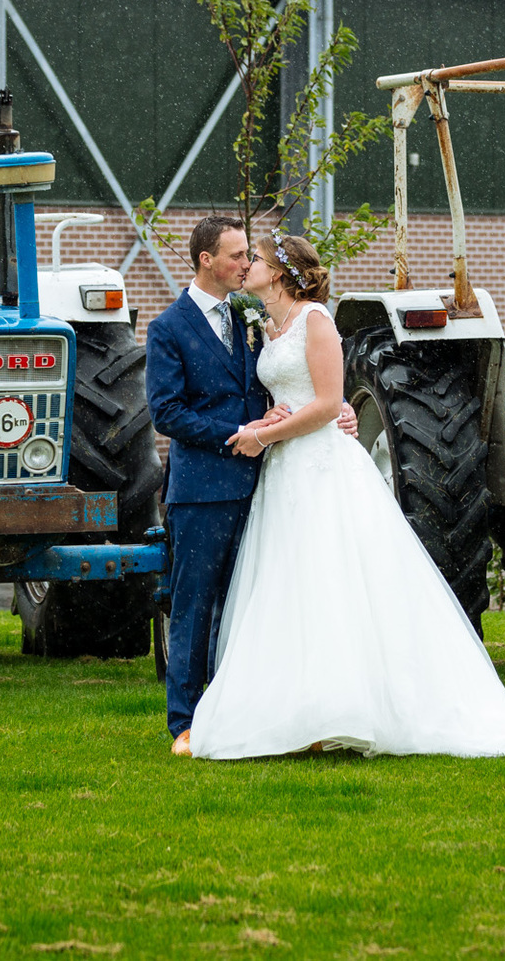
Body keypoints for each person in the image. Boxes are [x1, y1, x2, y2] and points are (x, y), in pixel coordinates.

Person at [188, 233, 505, 759]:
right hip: (289, 471)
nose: (248, 265)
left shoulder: (317, 320)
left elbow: (326, 405)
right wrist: (276, 415)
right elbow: (307, 399)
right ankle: (300, 710)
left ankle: (343, 711)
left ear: (279, 271)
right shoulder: (274, 326)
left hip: (318, 467)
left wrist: (266, 433)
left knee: (330, 583)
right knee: (293, 586)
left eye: (257, 259)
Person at [144, 215, 355, 757]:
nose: (244, 264)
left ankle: (245, 712)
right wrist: (239, 433)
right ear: (205, 261)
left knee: (252, 606)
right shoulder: (168, 327)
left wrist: (334, 411)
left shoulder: (251, 318)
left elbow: (295, 384)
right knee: (196, 604)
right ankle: (186, 723)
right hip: (203, 487)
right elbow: (166, 412)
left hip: (267, 484)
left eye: (248, 256)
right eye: (236, 256)